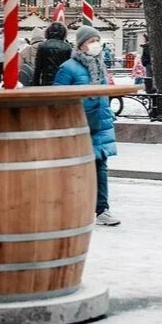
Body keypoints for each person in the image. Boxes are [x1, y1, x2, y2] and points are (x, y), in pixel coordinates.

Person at [53, 25, 120, 227]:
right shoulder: (68, 67)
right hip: (79, 123)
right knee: (75, 168)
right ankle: (69, 207)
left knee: (100, 166)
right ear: (81, 44)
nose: (95, 45)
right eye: (91, 41)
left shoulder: (100, 66)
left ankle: (102, 209)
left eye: (97, 41)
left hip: (100, 122)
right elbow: (59, 97)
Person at [30, 21, 71, 87]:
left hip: (46, 82)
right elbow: (69, 68)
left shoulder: (42, 46)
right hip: (62, 81)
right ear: (63, 33)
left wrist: (36, 85)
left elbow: (38, 68)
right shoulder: (67, 47)